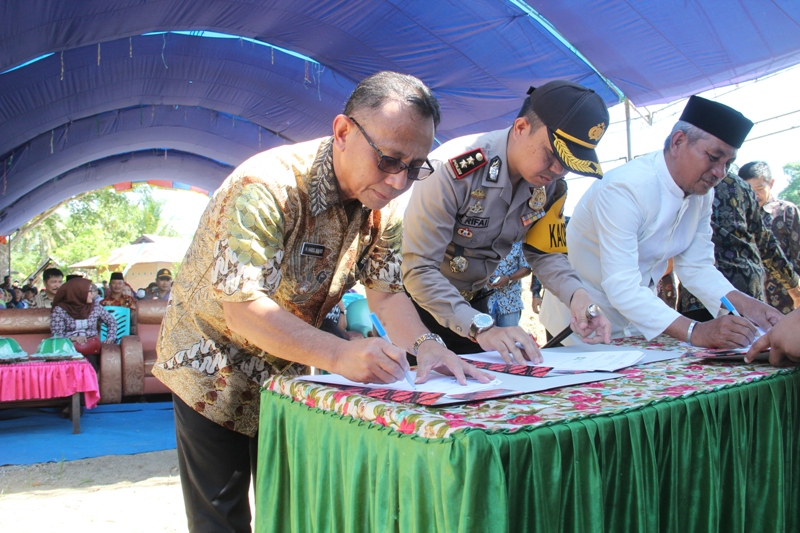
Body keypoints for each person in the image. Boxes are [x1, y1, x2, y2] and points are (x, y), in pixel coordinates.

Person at [153, 71, 488, 533]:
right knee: (221, 517)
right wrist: (339, 353)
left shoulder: (384, 208)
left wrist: (428, 345)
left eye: (415, 167)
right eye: (390, 160)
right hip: (210, 362)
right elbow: (241, 305)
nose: (399, 182)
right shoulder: (265, 186)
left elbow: (386, 295)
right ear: (344, 132)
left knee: (293, 504)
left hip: (288, 363)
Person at [543, 95, 783, 348]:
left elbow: (697, 267)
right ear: (679, 141)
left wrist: (748, 305)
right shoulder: (625, 188)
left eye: (728, 164)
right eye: (713, 157)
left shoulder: (701, 195)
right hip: (579, 322)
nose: (720, 173)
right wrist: (696, 332)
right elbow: (622, 286)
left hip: (639, 320)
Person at [402, 80, 613, 362]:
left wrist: (579, 298)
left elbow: (546, 254)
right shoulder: (452, 170)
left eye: (570, 162)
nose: (558, 170)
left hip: (476, 308)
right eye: (552, 155)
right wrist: (481, 327)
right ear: (521, 128)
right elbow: (418, 270)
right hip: (420, 314)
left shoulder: (550, 187)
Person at [678, 169, 800, 321]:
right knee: (747, 342)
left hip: (699, 296)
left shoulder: (684, 183)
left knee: (700, 341)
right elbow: (765, 243)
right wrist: (793, 287)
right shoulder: (739, 186)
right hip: (740, 289)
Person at [740, 161, 800, 315]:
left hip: (788, 300)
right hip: (752, 303)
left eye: (759, 189)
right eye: (749, 190)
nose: (755, 195)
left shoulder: (786, 211)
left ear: (771, 184)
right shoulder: (738, 218)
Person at [50, 278, 117, 372]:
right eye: (89, 291)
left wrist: (110, 339)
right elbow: (56, 336)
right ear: (78, 292)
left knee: (91, 362)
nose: (93, 294)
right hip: (68, 349)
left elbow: (111, 322)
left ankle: (92, 384)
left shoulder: (95, 307)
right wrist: (73, 338)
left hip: (91, 348)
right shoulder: (60, 310)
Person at [485, 242, 531, 327]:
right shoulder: (485, 239)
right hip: (485, 300)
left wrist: (509, 278)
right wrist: (484, 277)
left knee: (510, 337)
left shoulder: (518, 243)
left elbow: (527, 268)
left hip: (510, 302)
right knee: (485, 337)